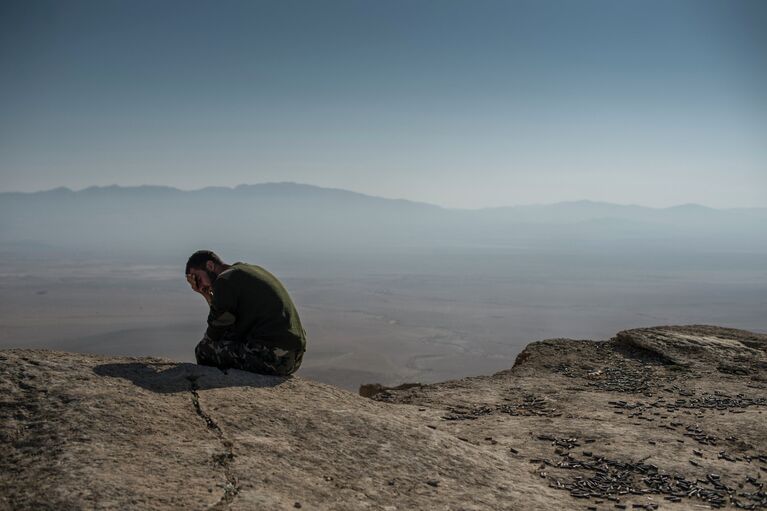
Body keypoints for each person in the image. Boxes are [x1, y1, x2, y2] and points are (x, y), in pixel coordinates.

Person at [185, 250, 306, 376]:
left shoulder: (224, 280)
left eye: (198, 279)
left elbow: (216, 331)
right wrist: (205, 292)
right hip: (293, 358)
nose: (200, 285)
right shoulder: (246, 271)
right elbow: (225, 320)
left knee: (203, 351)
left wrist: (205, 294)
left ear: (210, 265)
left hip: (273, 357)